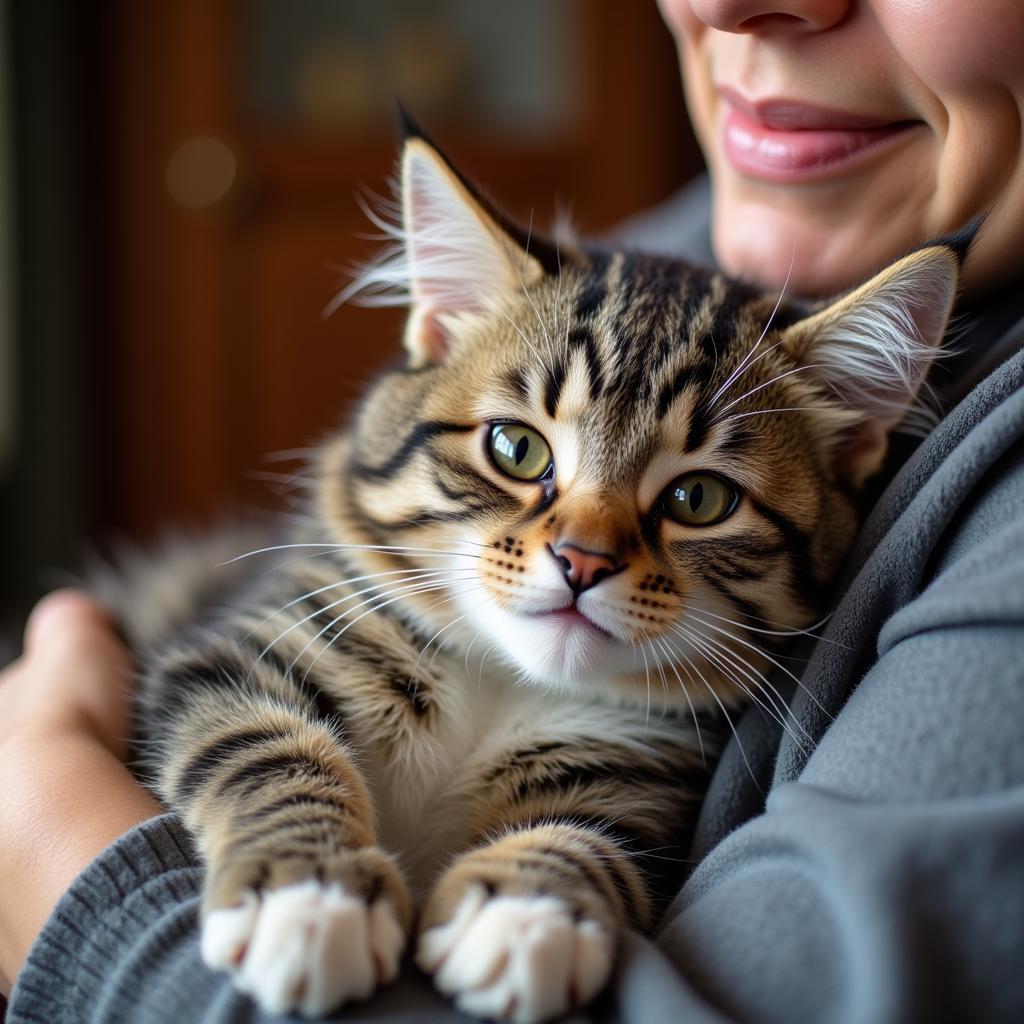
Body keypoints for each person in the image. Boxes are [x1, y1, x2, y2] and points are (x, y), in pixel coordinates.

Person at [4, 0, 1024, 1019]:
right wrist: (288, 826)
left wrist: (79, 882)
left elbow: (618, 839)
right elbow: (216, 691)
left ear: (852, 443)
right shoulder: (647, 256)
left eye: (697, 495)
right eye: (517, 449)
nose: (582, 547)